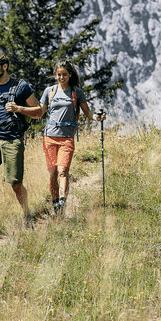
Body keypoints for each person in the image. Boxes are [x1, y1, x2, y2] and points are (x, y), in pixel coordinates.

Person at [0, 52, 43, 231]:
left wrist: (19, 108)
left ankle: (26, 214)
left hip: (13, 139)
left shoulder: (21, 87)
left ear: (4, 66)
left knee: (15, 183)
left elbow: (39, 112)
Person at [38, 59, 105, 216]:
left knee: (63, 170)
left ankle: (62, 201)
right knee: (53, 172)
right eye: (59, 75)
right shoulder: (49, 91)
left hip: (67, 137)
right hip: (49, 136)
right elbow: (40, 111)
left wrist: (98, 117)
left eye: (64, 75)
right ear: (56, 75)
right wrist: (20, 111)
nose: (61, 78)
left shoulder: (77, 92)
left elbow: (88, 113)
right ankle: (55, 204)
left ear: (70, 75)